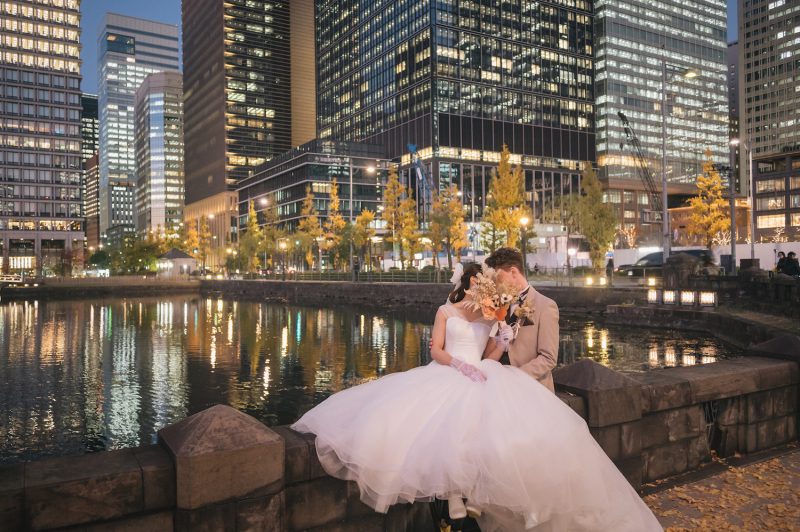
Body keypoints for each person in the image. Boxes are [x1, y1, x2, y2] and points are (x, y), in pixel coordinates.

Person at [292, 252, 662, 532]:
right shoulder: (471, 308)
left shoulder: (531, 308)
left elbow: (541, 356)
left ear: (510, 273)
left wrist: (505, 354)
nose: (489, 286)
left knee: (519, 452)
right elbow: (450, 350)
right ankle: (471, 502)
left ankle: (528, 510)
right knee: (461, 439)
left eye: (494, 279)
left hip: (513, 385)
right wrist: (471, 359)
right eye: (482, 282)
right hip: (473, 379)